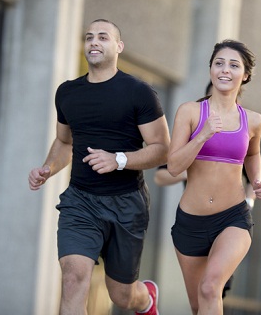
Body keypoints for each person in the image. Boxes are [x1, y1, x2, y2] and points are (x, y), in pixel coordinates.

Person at [28, 19, 170, 315]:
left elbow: (162, 149)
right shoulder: (68, 92)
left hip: (126, 203)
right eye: (89, 37)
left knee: (121, 295)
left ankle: (146, 299)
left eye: (103, 37)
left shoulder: (139, 92)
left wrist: (118, 159)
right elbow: (64, 142)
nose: (94, 41)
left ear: (118, 47)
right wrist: (47, 168)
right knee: (73, 276)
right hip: (81, 201)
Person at [167, 39, 261, 314]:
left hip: (232, 218)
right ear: (211, 69)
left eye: (234, 65)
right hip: (190, 221)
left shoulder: (254, 120)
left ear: (245, 75)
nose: (225, 70)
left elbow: (252, 154)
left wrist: (257, 180)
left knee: (210, 287)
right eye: (219, 63)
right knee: (197, 304)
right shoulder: (190, 112)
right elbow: (174, 166)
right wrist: (202, 136)